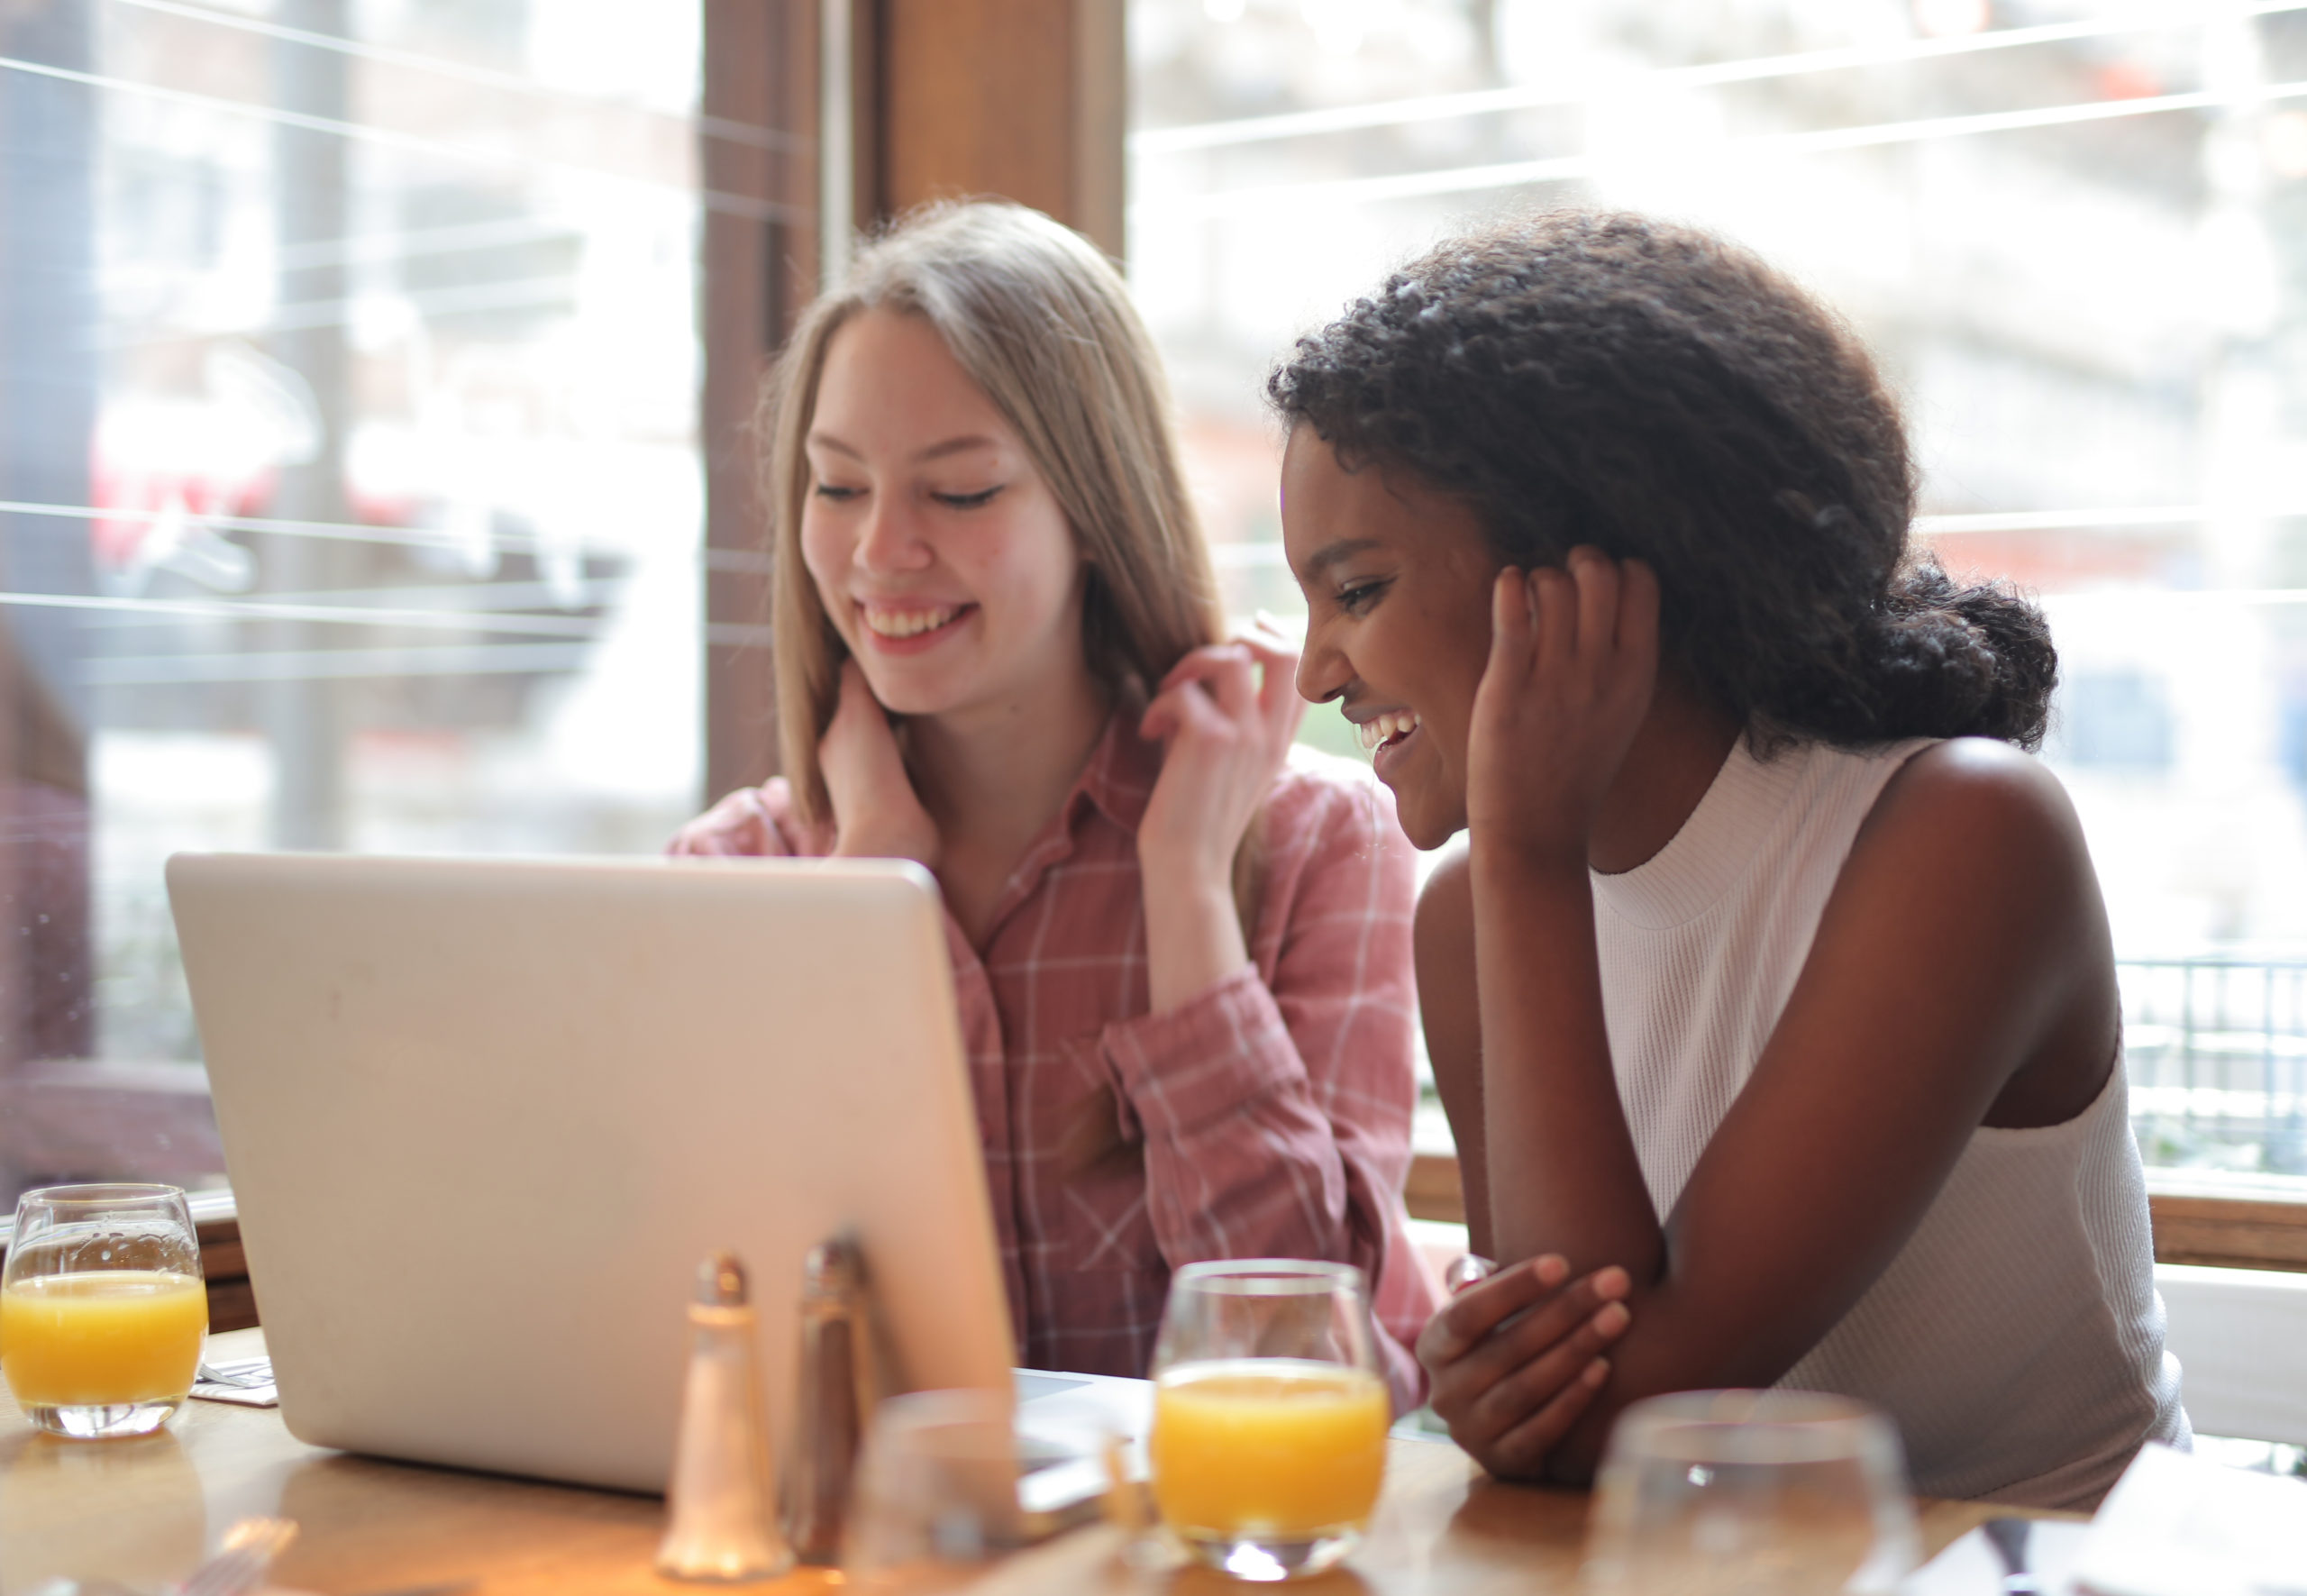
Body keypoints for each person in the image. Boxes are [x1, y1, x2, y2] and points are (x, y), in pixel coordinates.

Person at [1270, 209, 2188, 1507]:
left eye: (1355, 593)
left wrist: (1528, 850)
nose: (1318, 671)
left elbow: (1635, 1418)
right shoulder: (1467, 917)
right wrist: (1492, 1394)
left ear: (1587, 580)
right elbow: (1571, 1408)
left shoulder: (1964, 839)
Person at [670, 201, 1436, 1404]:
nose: (879, 553)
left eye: (961, 494)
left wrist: (1185, 883)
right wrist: (867, 885)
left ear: (1095, 506)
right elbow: (729, 1354)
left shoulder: (1312, 843)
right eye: (836, 487)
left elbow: (1307, 1363)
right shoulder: (736, 875)